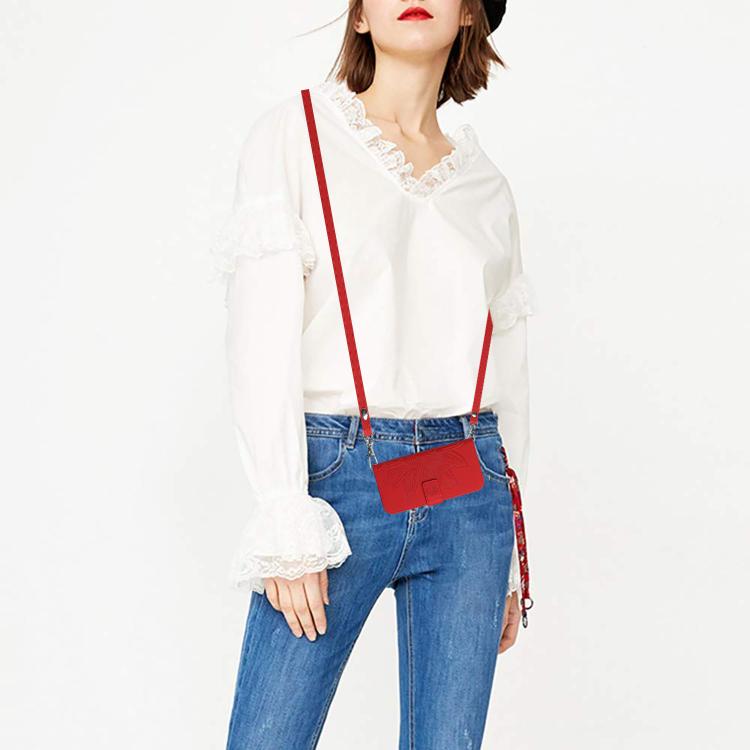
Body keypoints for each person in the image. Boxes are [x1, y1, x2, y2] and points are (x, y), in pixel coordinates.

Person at [211, 1, 535, 747]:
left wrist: (513, 556)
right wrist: (284, 512)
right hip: (336, 484)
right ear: (359, 17)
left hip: (469, 486)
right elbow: (259, 332)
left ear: (469, 15)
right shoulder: (296, 133)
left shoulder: (486, 185)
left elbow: (509, 371)